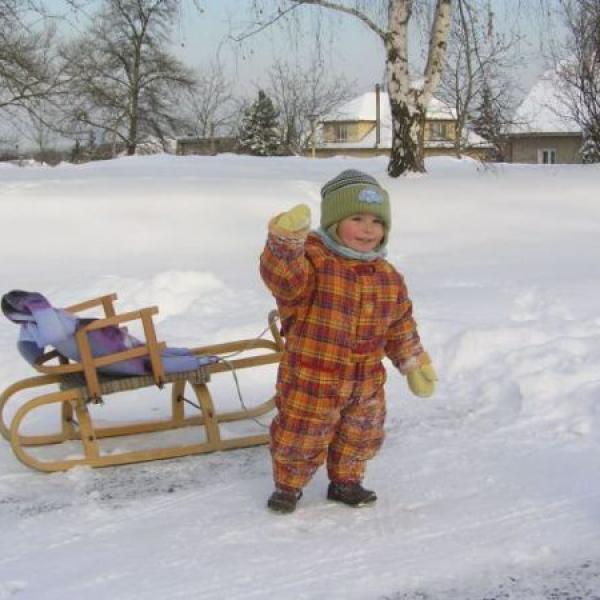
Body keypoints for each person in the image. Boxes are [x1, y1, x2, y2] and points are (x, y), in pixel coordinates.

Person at [259, 169, 437, 514]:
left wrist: (414, 362)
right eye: (357, 218)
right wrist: (285, 242)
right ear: (333, 223)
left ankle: (346, 481)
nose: (369, 229)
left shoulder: (388, 277)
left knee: (361, 432)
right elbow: (283, 279)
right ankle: (288, 484)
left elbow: (399, 325)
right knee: (300, 432)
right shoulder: (313, 263)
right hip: (312, 378)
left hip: (366, 380)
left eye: (377, 221)